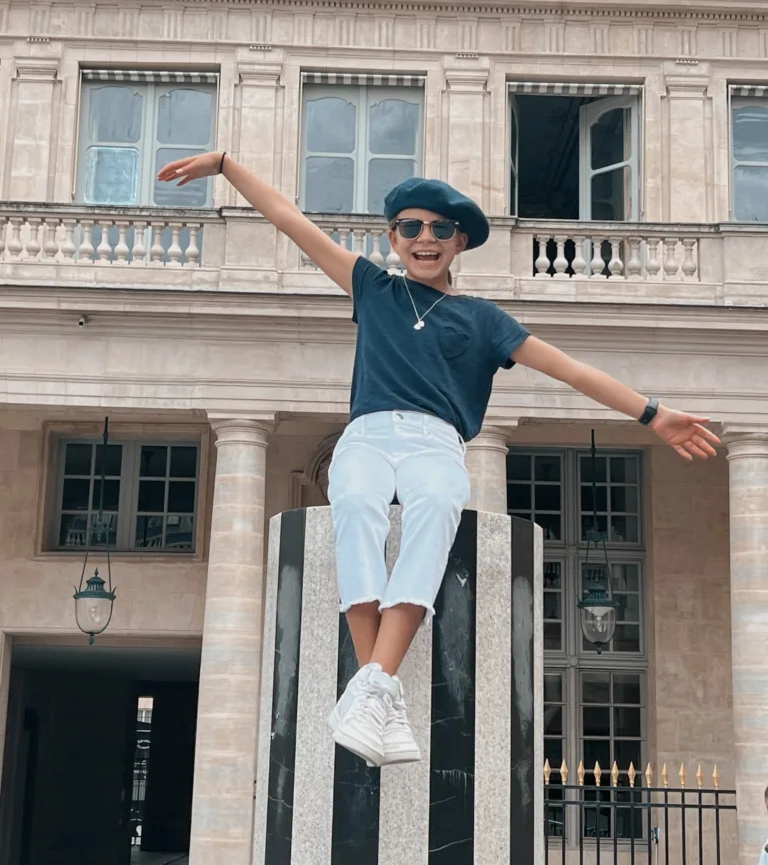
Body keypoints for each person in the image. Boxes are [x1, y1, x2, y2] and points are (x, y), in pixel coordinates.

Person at [158, 152, 720, 769]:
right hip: (368, 434)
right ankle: (380, 691)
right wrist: (225, 166)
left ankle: (370, 686)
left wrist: (651, 413)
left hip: (437, 440)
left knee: (433, 508)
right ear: (392, 237)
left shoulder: (482, 319)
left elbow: (569, 368)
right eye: (411, 228)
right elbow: (291, 221)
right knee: (355, 506)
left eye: (439, 230)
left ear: (458, 243)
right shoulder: (372, 288)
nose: (425, 239)